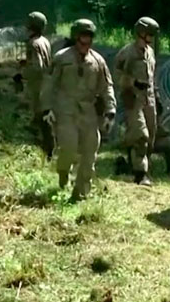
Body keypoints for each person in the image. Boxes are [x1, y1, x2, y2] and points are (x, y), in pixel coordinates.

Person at [40, 19, 116, 201]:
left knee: (90, 150)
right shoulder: (61, 58)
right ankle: (63, 171)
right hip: (65, 110)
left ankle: (81, 192)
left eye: (89, 38)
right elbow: (49, 84)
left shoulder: (98, 61)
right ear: (75, 38)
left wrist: (110, 110)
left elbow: (107, 86)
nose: (86, 42)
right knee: (68, 147)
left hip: (89, 112)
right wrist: (47, 109)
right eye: (82, 38)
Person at [113, 17, 160, 186]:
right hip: (133, 98)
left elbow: (153, 76)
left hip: (149, 98)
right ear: (141, 32)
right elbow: (116, 74)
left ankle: (131, 163)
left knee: (151, 135)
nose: (152, 37)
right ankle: (141, 174)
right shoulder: (128, 53)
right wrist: (132, 82)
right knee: (141, 135)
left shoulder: (150, 52)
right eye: (150, 34)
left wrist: (157, 95)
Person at [21, 11, 53, 158]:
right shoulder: (45, 41)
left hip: (39, 85)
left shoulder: (32, 44)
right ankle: (49, 150)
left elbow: (37, 66)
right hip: (48, 83)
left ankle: (47, 152)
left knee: (42, 119)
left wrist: (23, 73)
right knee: (45, 117)